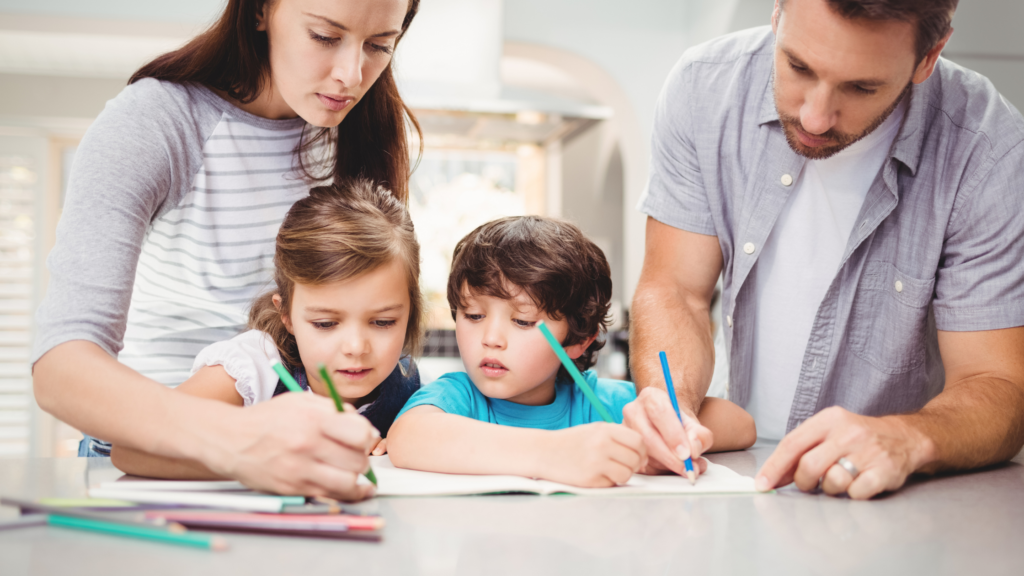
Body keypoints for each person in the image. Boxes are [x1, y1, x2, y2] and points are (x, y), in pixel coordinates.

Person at [626, 0, 1024, 500]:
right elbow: (675, 289)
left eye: (862, 87)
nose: (814, 117)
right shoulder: (704, 89)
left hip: (893, 499)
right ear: (777, 12)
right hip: (731, 477)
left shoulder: (989, 149)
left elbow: (997, 384)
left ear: (930, 56)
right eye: (797, 66)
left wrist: (909, 438)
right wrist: (670, 405)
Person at [32, 0, 421, 500]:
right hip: (149, 462)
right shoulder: (159, 121)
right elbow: (62, 366)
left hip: (299, 458)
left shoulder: (366, 133)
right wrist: (241, 440)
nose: (351, 73)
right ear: (260, 10)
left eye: (379, 46)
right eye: (325, 37)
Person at [388, 216, 756, 487]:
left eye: (523, 321)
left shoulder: (600, 402)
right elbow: (407, 438)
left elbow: (740, 425)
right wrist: (553, 453)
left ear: (579, 340)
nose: (490, 338)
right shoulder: (458, 396)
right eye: (473, 315)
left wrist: (665, 438)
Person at [110, 180, 423, 478]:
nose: (356, 347)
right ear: (285, 314)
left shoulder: (406, 381)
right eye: (325, 324)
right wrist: (254, 455)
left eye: (383, 322)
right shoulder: (252, 367)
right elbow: (131, 450)